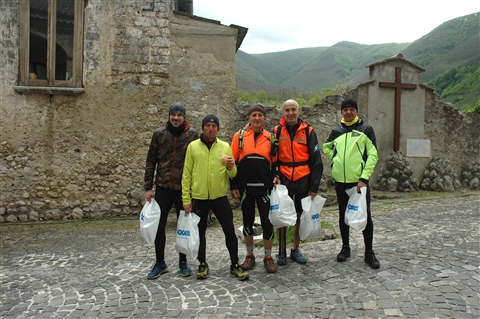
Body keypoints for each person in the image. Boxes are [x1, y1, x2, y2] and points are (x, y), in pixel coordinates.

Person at [182, 114, 249, 281]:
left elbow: (232, 173)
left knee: (229, 231)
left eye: (214, 126)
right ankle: (202, 264)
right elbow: (186, 174)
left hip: (219, 196)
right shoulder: (193, 147)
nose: (211, 129)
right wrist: (186, 199)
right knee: (200, 232)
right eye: (208, 126)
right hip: (199, 197)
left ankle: (235, 264)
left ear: (218, 129)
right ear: (203, 127)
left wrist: (231, 166)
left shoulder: (225, 146)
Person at [322, 98, 380, 269]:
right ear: (341, 112)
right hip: (340, 181)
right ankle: (345, 247)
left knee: (365, 217)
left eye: (351, 109)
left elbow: (373, 155)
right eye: (345, 109)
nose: (348, 112)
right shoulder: (336, 131)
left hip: (358, 183)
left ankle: (369, 252)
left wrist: (364, 178)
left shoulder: (366, 130)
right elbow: (326, 147)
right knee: (343, 216)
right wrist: (336, 160)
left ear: (356, 111)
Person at [144, 102, 199, 280]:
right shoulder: (159, 134)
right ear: (169, 116)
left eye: (179, 115)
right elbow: (151, 160)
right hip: (162, 187)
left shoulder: (192, 135)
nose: (176, 118)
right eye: (173, 114)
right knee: (159, 226)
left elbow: (196, 163)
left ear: (184, 117)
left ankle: (183, 262)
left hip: (183, 189)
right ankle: (160, 262)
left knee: (183, 225)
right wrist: (148, 187)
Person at [272, 99, 323, 265]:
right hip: (284, 178)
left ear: (298, 111)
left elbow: (316, 161)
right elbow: (273, 157)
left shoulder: (308, 131)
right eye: (287, 110)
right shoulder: (277, 131)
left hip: (303, 178)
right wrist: (276, 174)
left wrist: (314, 186)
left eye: (293, 109)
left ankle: (295, 249)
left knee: (299, 216)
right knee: (282, 215)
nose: (290, 113)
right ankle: (281, 251)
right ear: (283, 113)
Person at [230, 104, 278, 273]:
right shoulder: (240, 136)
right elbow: (232, 162)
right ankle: (250, 255)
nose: (257, 118)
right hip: (246, 189)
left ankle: (268, 256)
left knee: (267, 223)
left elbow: (276, 163)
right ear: (249, 118)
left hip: (265, 189)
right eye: (254, 115)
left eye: (260, 115)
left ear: (264, 118)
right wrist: (234, 185)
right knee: (247, 223)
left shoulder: (271, 138)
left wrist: (277, 177)